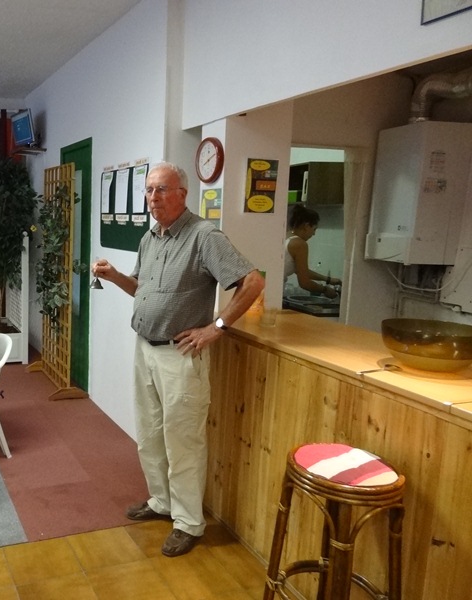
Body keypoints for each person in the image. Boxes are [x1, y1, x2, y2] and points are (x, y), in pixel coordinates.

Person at [91, 161, 265, 558]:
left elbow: (252, 282)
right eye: (149, 190)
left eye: (162, 190)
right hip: (145, 349)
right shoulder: (150, 237)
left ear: (182, 194)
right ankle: (162, 501)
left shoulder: (204, 236)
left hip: (181, 355)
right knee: (150, 433)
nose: (153, 198)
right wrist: (115, 275)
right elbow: (142, 288)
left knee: (183, 440)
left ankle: (188, 522)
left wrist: (216, 327)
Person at [284, 204, 340, 298]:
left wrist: (328, 280)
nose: (314, 234)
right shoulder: (299, 244)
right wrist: (325, 290)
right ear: (306, 226)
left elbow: (301, 271)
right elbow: (304, 283)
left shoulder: (286, 236)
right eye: (314, 229)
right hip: (272, 291)